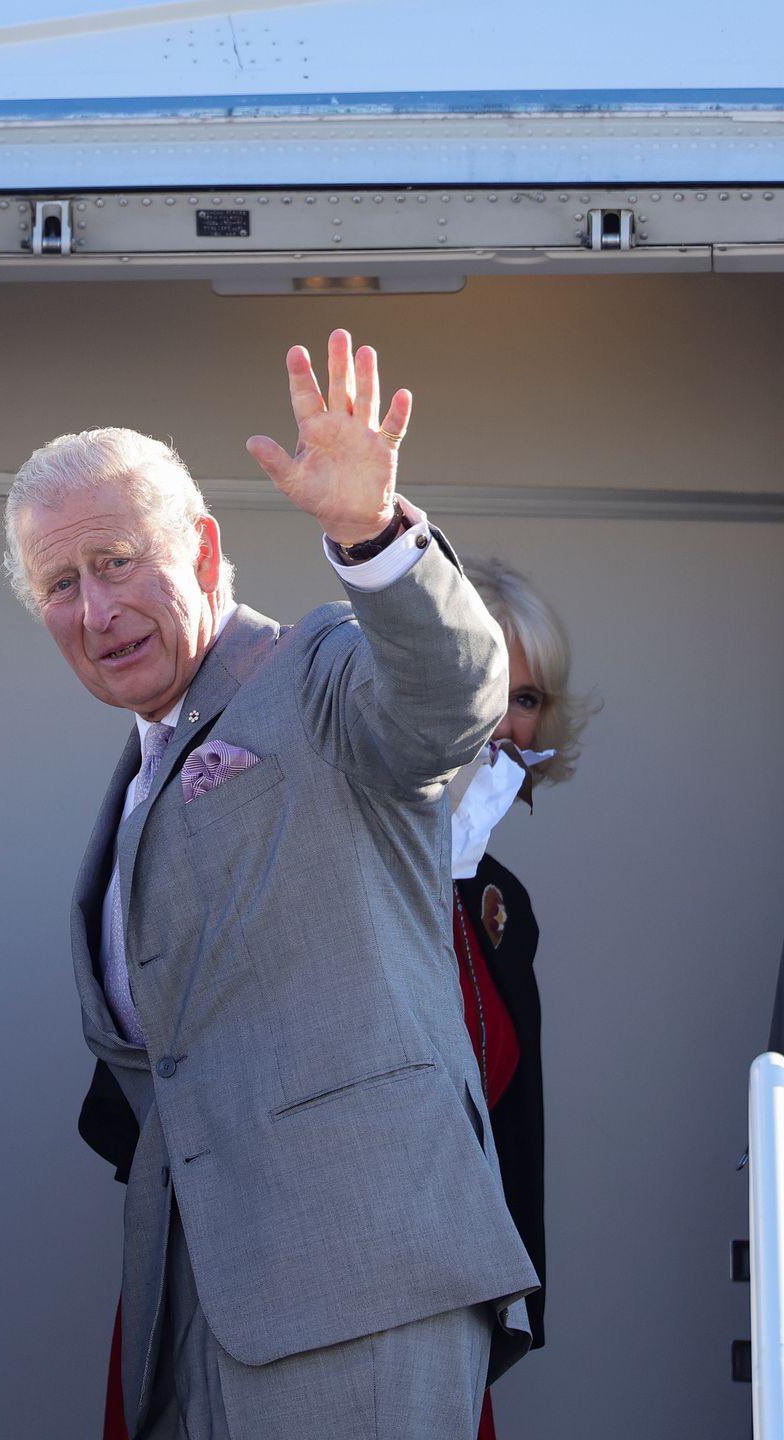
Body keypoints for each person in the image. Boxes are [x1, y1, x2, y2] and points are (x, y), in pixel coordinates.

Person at [5, 331, 538, 1440]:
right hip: (195, 1313)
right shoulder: (138, 776)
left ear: (202, 549)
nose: (96, 613)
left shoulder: (312, 671)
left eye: (116, 562)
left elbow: (450, 699)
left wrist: (371, 538)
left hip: (358, 1281)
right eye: (62, 584)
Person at [451, 556, 589, 1440]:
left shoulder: (503, 904)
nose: (506, 721)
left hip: (458, 1310)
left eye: (528, 697)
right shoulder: (336, 851)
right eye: (484, 685)